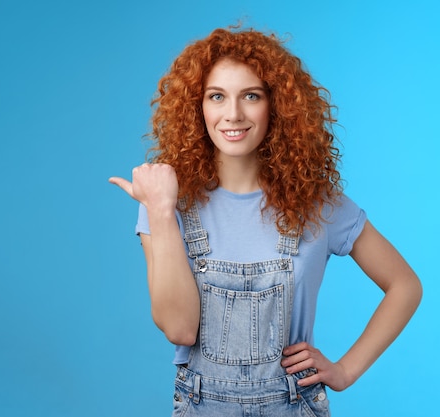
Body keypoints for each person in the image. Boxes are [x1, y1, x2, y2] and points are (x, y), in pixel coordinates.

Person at [109, 26, 422, 417]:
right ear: (197, 107)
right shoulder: (167, 202)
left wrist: (344, 371)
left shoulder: (316, 204)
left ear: (276, 106)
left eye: (251, 96)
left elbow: (405, 285)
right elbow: (180, 330)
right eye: (217, 96)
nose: (233, 114)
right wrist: (159, 209)